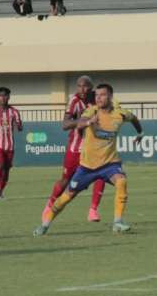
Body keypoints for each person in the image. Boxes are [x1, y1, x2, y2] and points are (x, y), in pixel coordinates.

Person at [35, 83, 144, 236]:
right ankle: (45, 224)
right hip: (87, 167)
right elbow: (79, 122)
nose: (98, 98)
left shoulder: (120, 114)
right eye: (97, 95)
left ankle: (118, 222)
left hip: (109, 164)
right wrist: (87, 122)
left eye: (102, 95)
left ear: (111, 97)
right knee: (66, 197)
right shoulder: (92, 111)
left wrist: (140, 133)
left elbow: (134, 119)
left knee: (121, 181)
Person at [44, 75, 106, 223]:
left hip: (93, 148)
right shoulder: (74, 101)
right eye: (79, 86)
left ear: (91, 87)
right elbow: (65, 125)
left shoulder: (97, 100)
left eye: (85, 86)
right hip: (75, 148)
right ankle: (50, 205)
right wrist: (83, 121)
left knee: (101, 175)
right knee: (66, 181)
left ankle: (93, 210)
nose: (82, 89)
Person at [0, 87, 22, 201]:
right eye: (0, 95)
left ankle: (0, 192)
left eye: (5, 95)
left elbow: (20, 127)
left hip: (9, 145)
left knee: (6, 171)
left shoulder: (14, 112)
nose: (2, 98)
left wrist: (18, 126)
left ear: (8, 97)